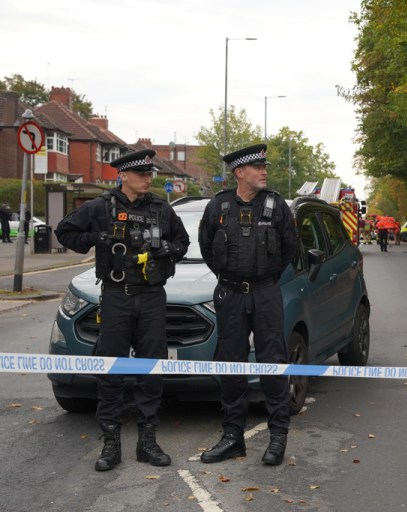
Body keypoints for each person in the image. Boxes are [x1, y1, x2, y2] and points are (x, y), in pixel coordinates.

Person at [55, 149, 190, 471]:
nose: (147, 179)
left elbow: (183, 243)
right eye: (141, 174)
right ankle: (111, 442)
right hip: (116, 296)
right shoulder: (101, 207)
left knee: (151, 369)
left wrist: (165, 248)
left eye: (149, 174)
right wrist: (99, 238)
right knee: (111, 369)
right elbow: (65, 232)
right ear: (124, 176)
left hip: (152, 297)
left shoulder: (161, 209)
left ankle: (147, 441)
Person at [198, 143, 298, 466]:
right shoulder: (218, 206)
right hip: (230, 294)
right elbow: (206, 247)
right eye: (257, 167)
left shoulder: (276, 206)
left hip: (266, 293)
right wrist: (230, 277)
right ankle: (232, 437)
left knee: (273, 363)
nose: (263, 172)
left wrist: (264, 279)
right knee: (232, 365)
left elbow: (290, 248)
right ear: (240, 172)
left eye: (264, 166)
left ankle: (278, 435)